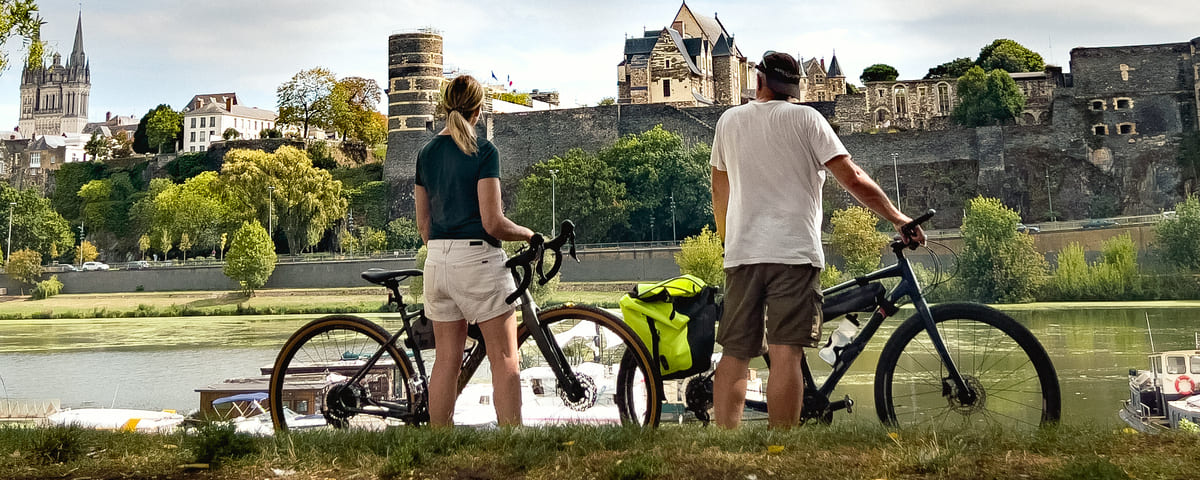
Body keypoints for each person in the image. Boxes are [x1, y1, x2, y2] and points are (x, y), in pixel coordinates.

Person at [709, 51, 926, 429]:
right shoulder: (808, 119)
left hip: (742, 255)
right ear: (795, 88)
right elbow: (853, 177)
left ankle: (724, 441)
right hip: (793, 253)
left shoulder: (729, 121)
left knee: (735, 354)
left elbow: (719, 185)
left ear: (759, 81)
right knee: (786, 354)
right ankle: (783, 443)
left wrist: (728, 238)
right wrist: (898, 217)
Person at [414, 75, 536, 427]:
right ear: (478, 110)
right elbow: (493, 222)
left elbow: (424, 224)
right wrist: (529, 235)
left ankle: (440, 440)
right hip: (478, 259)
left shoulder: (425, 153)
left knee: (446, 360)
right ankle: (512, 439)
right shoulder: (483, 152)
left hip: (436, 262)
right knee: (504, 357)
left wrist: (444, 252)